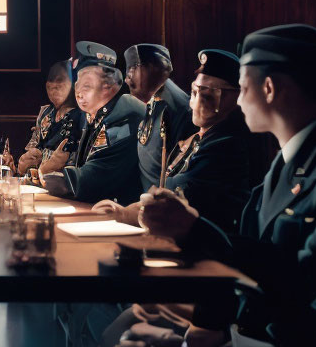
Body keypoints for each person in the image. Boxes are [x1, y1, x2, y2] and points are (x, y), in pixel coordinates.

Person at [91, 24, 316, 347]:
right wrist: (202, 324)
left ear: (267, 89)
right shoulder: (289, 164)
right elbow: (255, 260)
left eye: (243, 86)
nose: (240, 99)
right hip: (270, 338)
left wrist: (210, 333)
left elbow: (303, 281)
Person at [93, 49, 256, 233]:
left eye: (209, 96)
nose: (196, 104)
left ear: (236, 99)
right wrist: (122, 211)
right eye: (195, 93)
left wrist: (123, 215)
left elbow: (176, 197)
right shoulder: (196, 140)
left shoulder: (227, 145)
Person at [42, 46, 145, 205]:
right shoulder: (90, 115)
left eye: (87, 86)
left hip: (123, 215)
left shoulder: (125, 112)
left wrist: (45, 175)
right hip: (97, 207)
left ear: (108, 87)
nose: (78, 93)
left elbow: (93, 179)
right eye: (77, 85)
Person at [125, 43, 195, 192]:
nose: (127, 79)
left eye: (132, 69)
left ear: (153, 68)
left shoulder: (177, 108)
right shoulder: (155, 102)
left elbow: (178, 173)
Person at [17, 59, 86, 176]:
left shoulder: (82, 115)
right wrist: (23, 164)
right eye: (50, 81)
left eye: (60, 80)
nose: (53, 86)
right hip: (38, 182)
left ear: (74, 83)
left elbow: (77, 162)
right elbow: (31, 153)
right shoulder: (45, 113)